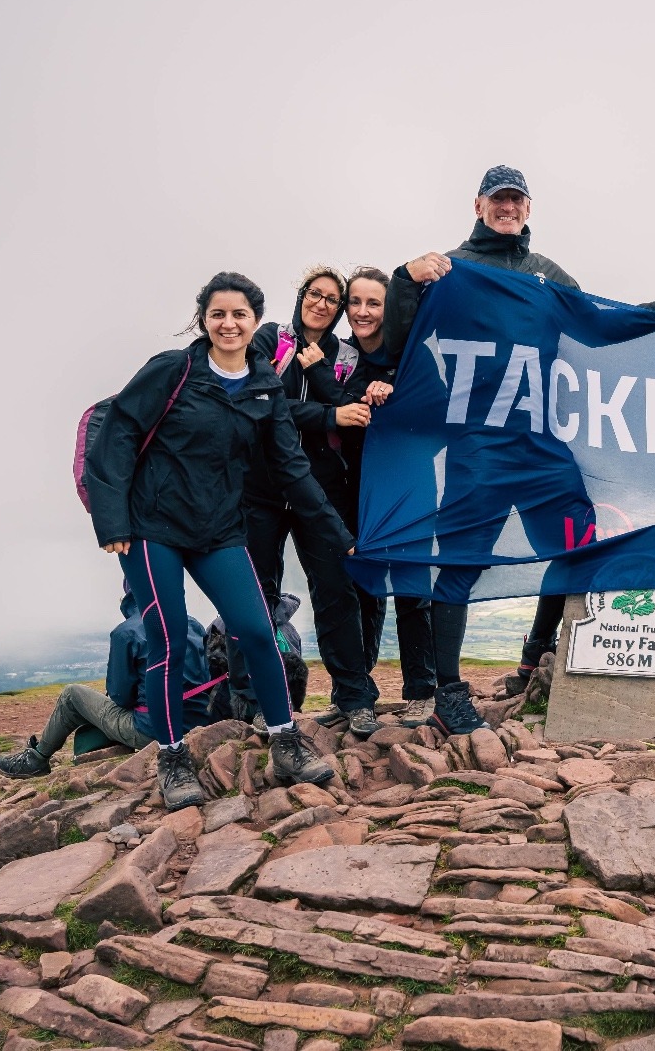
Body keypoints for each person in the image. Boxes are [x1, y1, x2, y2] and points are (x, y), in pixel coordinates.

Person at [380, 165, 655, 735]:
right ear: (478, 205)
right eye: (498, 199)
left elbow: (598, 324)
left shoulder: (544, 274)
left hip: (540, 447)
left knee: (578, 548)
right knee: (458, 568)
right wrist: (405, 280)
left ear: (528, 209)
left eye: (517, 200)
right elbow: (400, 337)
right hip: (477, 448)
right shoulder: (451, 270)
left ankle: (537, 655)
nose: (508, 208)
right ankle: (448, 692)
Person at [84, 271, 346, 811]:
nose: (229, 323)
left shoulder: (263, 384)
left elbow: (291, 465)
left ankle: (285, 740)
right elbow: (118, 434)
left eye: (240, 314)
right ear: (203, 319)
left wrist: (336, 532)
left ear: (256, 322)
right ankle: (173, 757)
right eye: (218, 314)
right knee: (168, 637)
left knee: (256, 628)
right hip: (152, 527)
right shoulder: (173, 370)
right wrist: (112, 523)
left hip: (220, 528)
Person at [237, 265, 382, 738]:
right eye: (313, 294)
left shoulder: (344, 355)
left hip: (321, 487)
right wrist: (328, 414)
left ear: (339, 311)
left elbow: (354, 412)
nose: (320, 303)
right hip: (259, 487)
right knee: (259, 593)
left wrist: (340, 410)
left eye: (331, 299)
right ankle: (261, 703)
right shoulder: (268, 339)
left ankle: (354, 698)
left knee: (336, 588)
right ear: (300, 296)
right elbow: (261, 400)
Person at [329, 266, 439, 727]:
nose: (363, 312)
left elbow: (438, 419)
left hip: (410, 486)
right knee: (361, 589)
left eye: (374, 303)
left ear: (389, 308)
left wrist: (395, 395)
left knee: (412, 589)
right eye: (355, 302)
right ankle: (356, 694)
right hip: (356, 490)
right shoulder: (343, 360)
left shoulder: (414, 356)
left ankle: (421, 691)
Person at [0, 594, 218, 778]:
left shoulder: (126, 632)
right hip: (198, 719)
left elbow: (120, 696)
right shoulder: (191, 622)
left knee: (72, 695)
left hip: (152, 729)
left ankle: (36, 758)